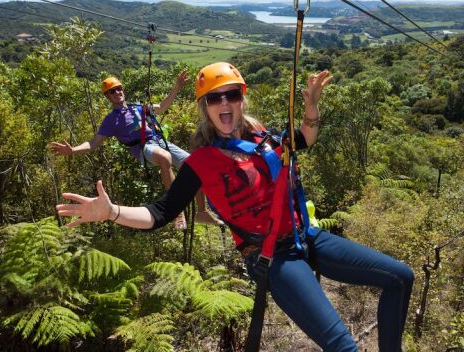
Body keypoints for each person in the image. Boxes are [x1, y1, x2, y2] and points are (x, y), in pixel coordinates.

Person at [56, 62, 414, 351]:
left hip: (307, 236)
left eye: (231, 95)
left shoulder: (264, 138)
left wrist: (311, 106)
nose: (224, 104)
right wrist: (112, 211)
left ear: (242, 99)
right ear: (205, 108)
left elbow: (304, 139)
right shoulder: (202, 162)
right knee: (342, 345)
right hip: (273, 256)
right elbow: (160, 212)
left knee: (400, 277)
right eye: (214, 98)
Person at [51, 70, 194, 229]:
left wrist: (177, 87)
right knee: (164, 157)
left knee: (194, 164)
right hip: (142, 148)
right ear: (108, 96)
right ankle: (177, 211)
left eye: (119, 88)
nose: (117, 92)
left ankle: (203, 210)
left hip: (159, 141)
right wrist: (72, 150)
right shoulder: (111, 120)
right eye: (112, 91)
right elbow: (94, 143)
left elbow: (161, 106)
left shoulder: (138, 108)